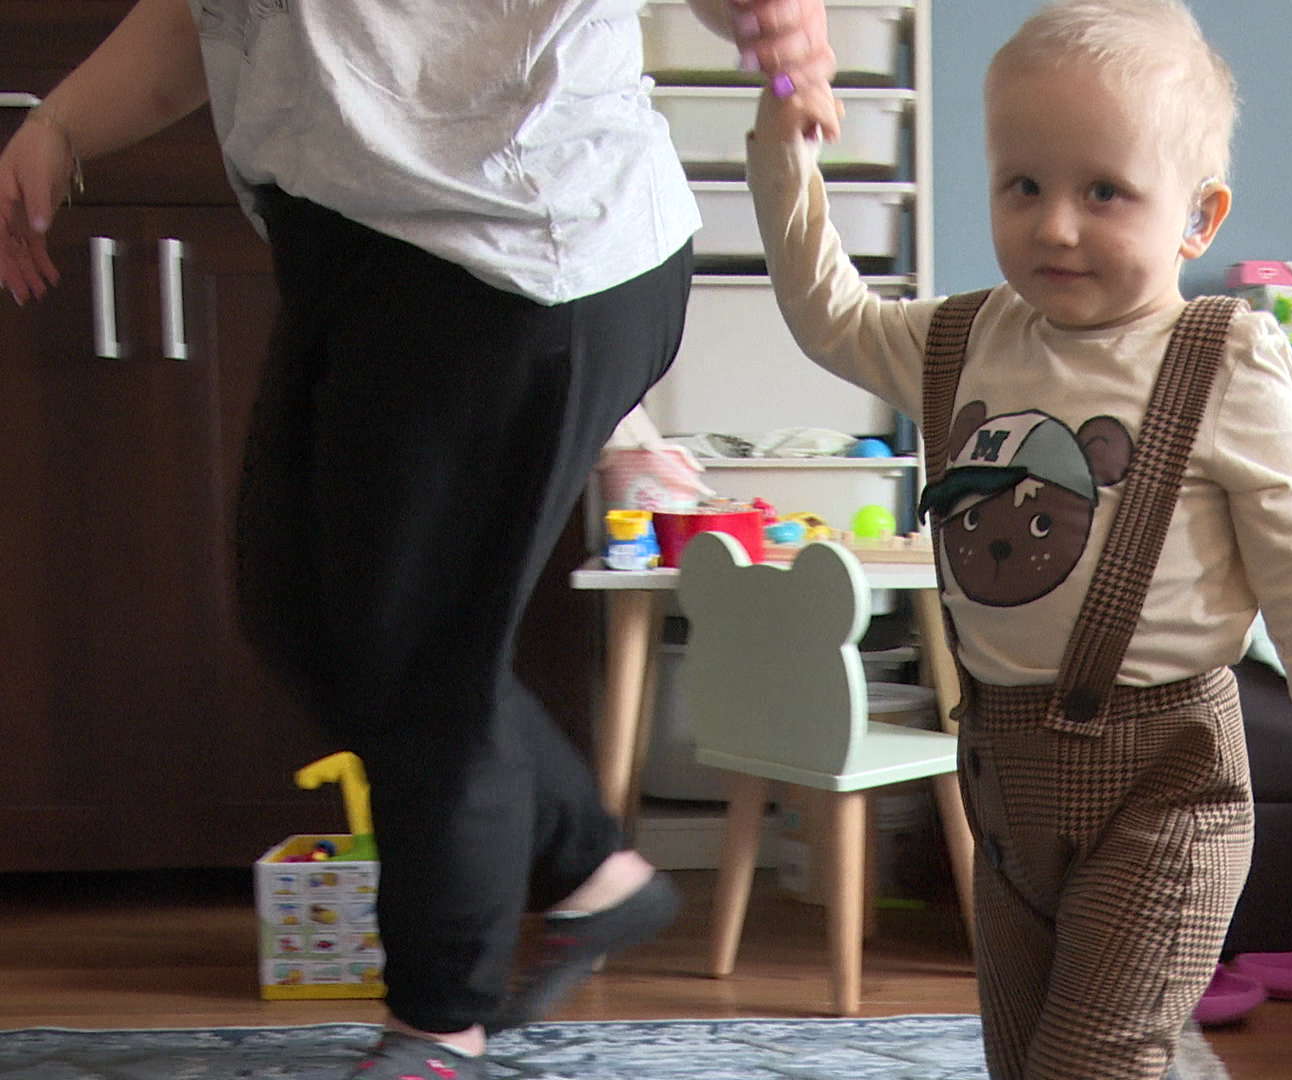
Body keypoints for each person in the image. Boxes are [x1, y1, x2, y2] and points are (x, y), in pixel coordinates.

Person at [0, 2, 835, 1077]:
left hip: (516, 250)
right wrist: (61, 124)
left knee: (422, 654)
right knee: (298, 610)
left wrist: (773, 24)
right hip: (350, 242)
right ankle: (590, 866)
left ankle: (441, 1024)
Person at [747, 1, 1292, 1076]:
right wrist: (786, 156)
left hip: (1169, 785)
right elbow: (828, 315)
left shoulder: (1223, 359)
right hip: (1005, 782)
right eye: (1023, 186)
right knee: (1028, 1059)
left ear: (1198, 217)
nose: (1055, 227)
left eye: (1104, 192)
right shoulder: (958, 339)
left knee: (1089, 1063)